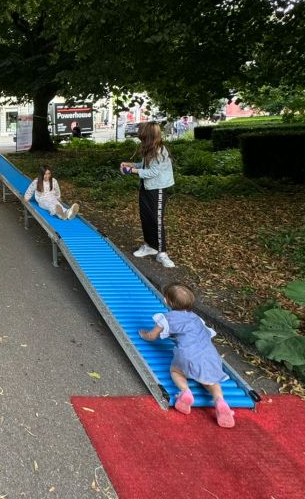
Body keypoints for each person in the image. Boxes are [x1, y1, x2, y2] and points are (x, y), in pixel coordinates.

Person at [139, 283, 235, 428]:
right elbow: (206, 335)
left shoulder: (165, 318)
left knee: (175, 371)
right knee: (211, 382)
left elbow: (152, 336)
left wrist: (144, 334)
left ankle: (185, 391)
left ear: (166, 301)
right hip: (210, 356)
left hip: (187, 357)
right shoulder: (197, 318)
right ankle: (220, 401)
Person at [120, 121, 175, 268]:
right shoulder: (149, 149)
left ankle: (162, 253)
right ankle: (149, 245)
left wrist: (132, 171)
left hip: (158, 189)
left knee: (156, 220)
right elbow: (145, 166)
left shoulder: (160, 150)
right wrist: (130, 165)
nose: (140, 139)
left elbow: (153, 172)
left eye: (142, 137)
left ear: (148, 136)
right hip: (146, 187)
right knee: (146, 218)